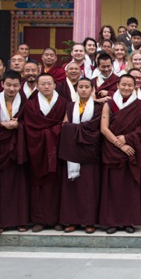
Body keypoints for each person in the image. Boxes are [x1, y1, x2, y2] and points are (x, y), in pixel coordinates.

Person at [99, 74, 141, 234]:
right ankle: (112, 222)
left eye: (130, 85)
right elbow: (104, 129)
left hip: (131, 149)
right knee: (112, 187)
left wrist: (127, 139)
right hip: (114, 149)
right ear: (117, 85)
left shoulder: (140, 105)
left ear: (135, 86)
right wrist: (121, 145)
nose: (126, 88)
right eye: (123, 85)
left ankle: (128, 221)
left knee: (129, 188)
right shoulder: (110, 104)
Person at [20, 73, 67, 232]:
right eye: (43, 84)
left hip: (57, 150)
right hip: (38, 150)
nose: (46, 87)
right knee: (39, 185)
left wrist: (51, 133)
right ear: (37, 87)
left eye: (49, 84)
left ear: (55, 85)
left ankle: (57, 219)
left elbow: (65, 125)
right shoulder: (30, 105)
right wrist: (49, 133)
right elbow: (29, 128)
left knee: (58, 185)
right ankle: (40, 219)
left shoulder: (63, 103)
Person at [0, 71, 29, 236]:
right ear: (2, 84)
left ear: (20, 85)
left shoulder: (25, 101)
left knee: (19, 186)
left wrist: (19, 126)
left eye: (15, 85)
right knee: (0, 187)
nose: (12, 88)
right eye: (8, 85)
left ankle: (20, 220)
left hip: (18, 148)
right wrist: (3, 125)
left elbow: (30, 122)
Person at [58, 78, 103, 234]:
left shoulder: (98, 107)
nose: (83, 90)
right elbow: (64, 126)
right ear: (76, 89)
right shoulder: (70, 106)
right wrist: (75, 128)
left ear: (92, 90)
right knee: (72, 189)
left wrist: (73, 128)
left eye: (86, 87)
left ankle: (89, 221)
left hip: (90, 152)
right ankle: (72, 221)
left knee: (89, 189)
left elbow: (95, 128)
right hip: (72, 151)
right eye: (81, 87)